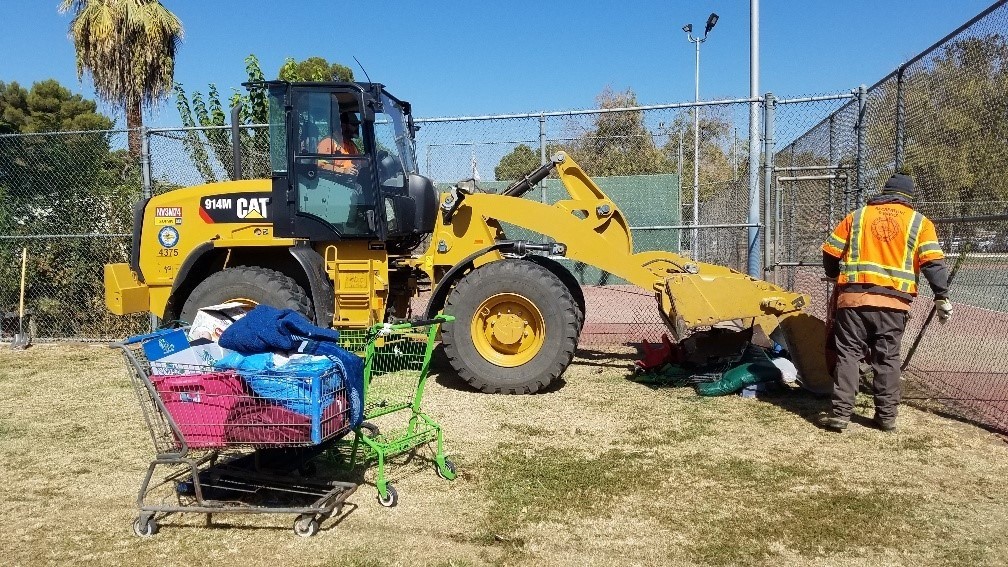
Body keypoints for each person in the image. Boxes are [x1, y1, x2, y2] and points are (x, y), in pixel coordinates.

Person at [819, 172, 952, 432]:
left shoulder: (857, 216)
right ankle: (886, 417)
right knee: (888, 359)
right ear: (908, 197)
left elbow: (830, 251)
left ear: (884, 193)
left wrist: (834, 275)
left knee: (848, 356)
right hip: (894, 303)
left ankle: (841, 415)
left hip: (853, 299)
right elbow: (933, 263)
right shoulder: (919, 222)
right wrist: (941, 295)